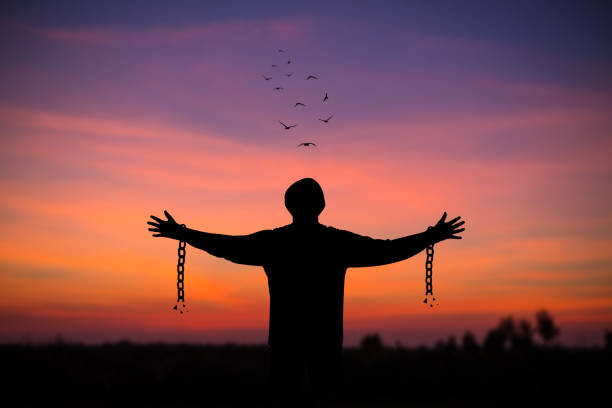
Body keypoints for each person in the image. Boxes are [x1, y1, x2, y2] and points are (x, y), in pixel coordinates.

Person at [147, 177, 464, 405]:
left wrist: (182, 233)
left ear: (288, 206)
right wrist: (429, 236)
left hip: (286, 340)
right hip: (325, 340)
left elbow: (225, 245)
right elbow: (387, 251)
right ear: (322, 206)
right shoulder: (336, 243)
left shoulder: (273, 243)